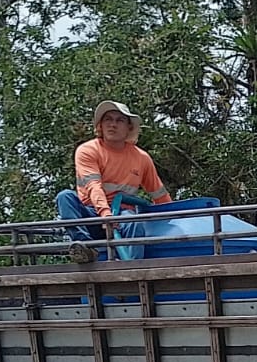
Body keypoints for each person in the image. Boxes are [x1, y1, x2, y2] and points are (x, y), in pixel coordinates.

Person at [54, 100, 170, 261]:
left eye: (119, 120)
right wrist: (106, 215)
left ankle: (134, 268)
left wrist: (176, 219)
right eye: (108, 119)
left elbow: (159, 194)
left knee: (134, 222)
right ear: (100, 126)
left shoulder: (141, 158)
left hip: (123, 216)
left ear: (129, 127)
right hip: (93, 214)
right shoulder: (88, 150)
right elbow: (94, 186)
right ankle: (85, 249)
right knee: (65, 197)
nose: (112, 124)